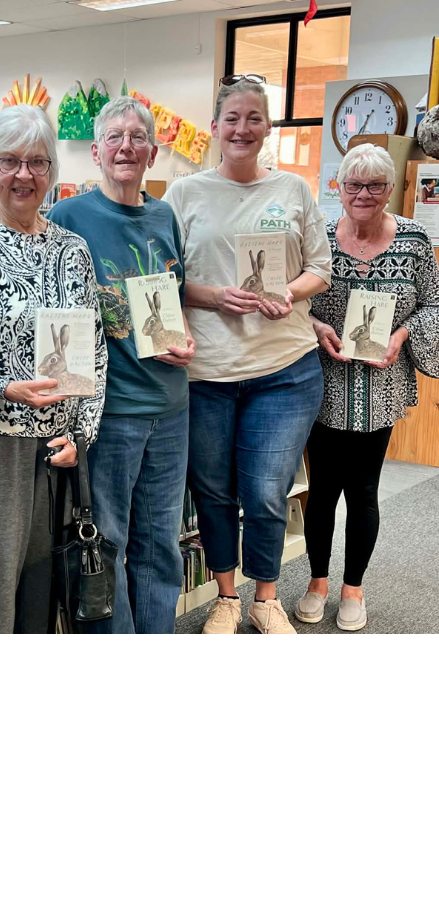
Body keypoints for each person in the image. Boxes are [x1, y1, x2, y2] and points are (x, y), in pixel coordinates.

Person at [164, 75, 331, 635]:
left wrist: (290, 292)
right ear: (215, 127)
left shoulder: (294, 190)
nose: (242, 128)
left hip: (284, 371)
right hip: (206, 372)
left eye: (254, 118)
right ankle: (227, 597)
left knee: (265, 490)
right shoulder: (183, 194)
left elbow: (320, 268)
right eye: (232, 118)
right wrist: (213, 295)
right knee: (212, 491)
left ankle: (266, 597)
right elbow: (164, 280)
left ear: (267, 128)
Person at [0, 104, 108, 634]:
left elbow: (96, 351)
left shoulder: (73, 250)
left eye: (38, 162)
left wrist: (82, 435)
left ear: (51, 173)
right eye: (9, 161)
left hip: (60, 447)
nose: (24, 174)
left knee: (47, 595)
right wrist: (1, 385)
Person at [49, 96, 195, 634]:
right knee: (106, 543)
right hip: (111, 413)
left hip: (171, 406)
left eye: (138, 138)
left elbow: (172, 298)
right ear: (95, 151)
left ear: (153, 154)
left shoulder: (164, 216)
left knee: (161, 547)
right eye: (115, 136)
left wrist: (187, 339)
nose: (126, 146)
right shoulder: (67, 217)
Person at [295, 143, 439, 631]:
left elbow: (434, 306)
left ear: (390, 188)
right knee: (322, 490)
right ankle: (317, 581)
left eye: (375, 185)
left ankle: (353, 587)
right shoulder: (317, 239)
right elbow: (290, 297)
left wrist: (402, 336)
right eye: (353, 184)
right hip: (321, 381)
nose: (363, 194)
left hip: (381, 388)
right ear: (338, 187)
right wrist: (317, 327)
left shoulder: (415, 239)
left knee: (364, 490)